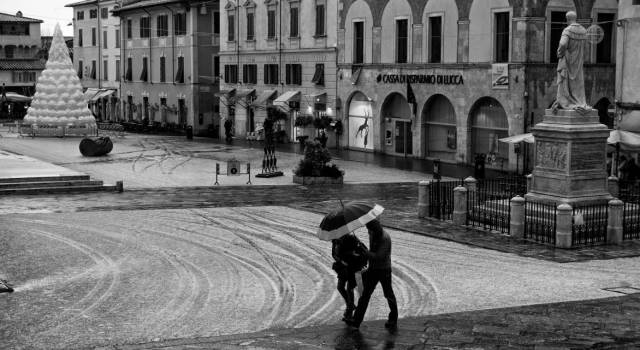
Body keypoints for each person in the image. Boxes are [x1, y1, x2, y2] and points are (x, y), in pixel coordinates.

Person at [346, 219, 398, 331]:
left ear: (375, 229)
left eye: (369, 230)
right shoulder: (372, 234)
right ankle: (356, 321)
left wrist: (365, 252)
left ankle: (393, 318)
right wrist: (361, 248)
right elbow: (371, 252)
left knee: (388, 293)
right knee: (365, 295)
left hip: (384, 270)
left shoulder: (385, 238)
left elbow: (379, 256)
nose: (368, 233)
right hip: (373, 269)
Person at [553, 11, 588, 112]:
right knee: (577, 83)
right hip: (579, 61)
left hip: (568, 61)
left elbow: (563, 44)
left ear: (567, 19)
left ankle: (567, 101)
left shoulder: (567, 30)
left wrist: (559, 53)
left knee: (566, 82)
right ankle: (579, 101)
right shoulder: (583, 30)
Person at [331, 233, 368, 322]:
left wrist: (349, 254)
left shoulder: (351, 239)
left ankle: (349, 311)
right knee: (340, 287)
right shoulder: (335, 240)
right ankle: (350, 306)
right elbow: (334, 254)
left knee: (349, 289)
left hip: (352, 267)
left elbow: (358, 252)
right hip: (343, 268)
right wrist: (341, 260)